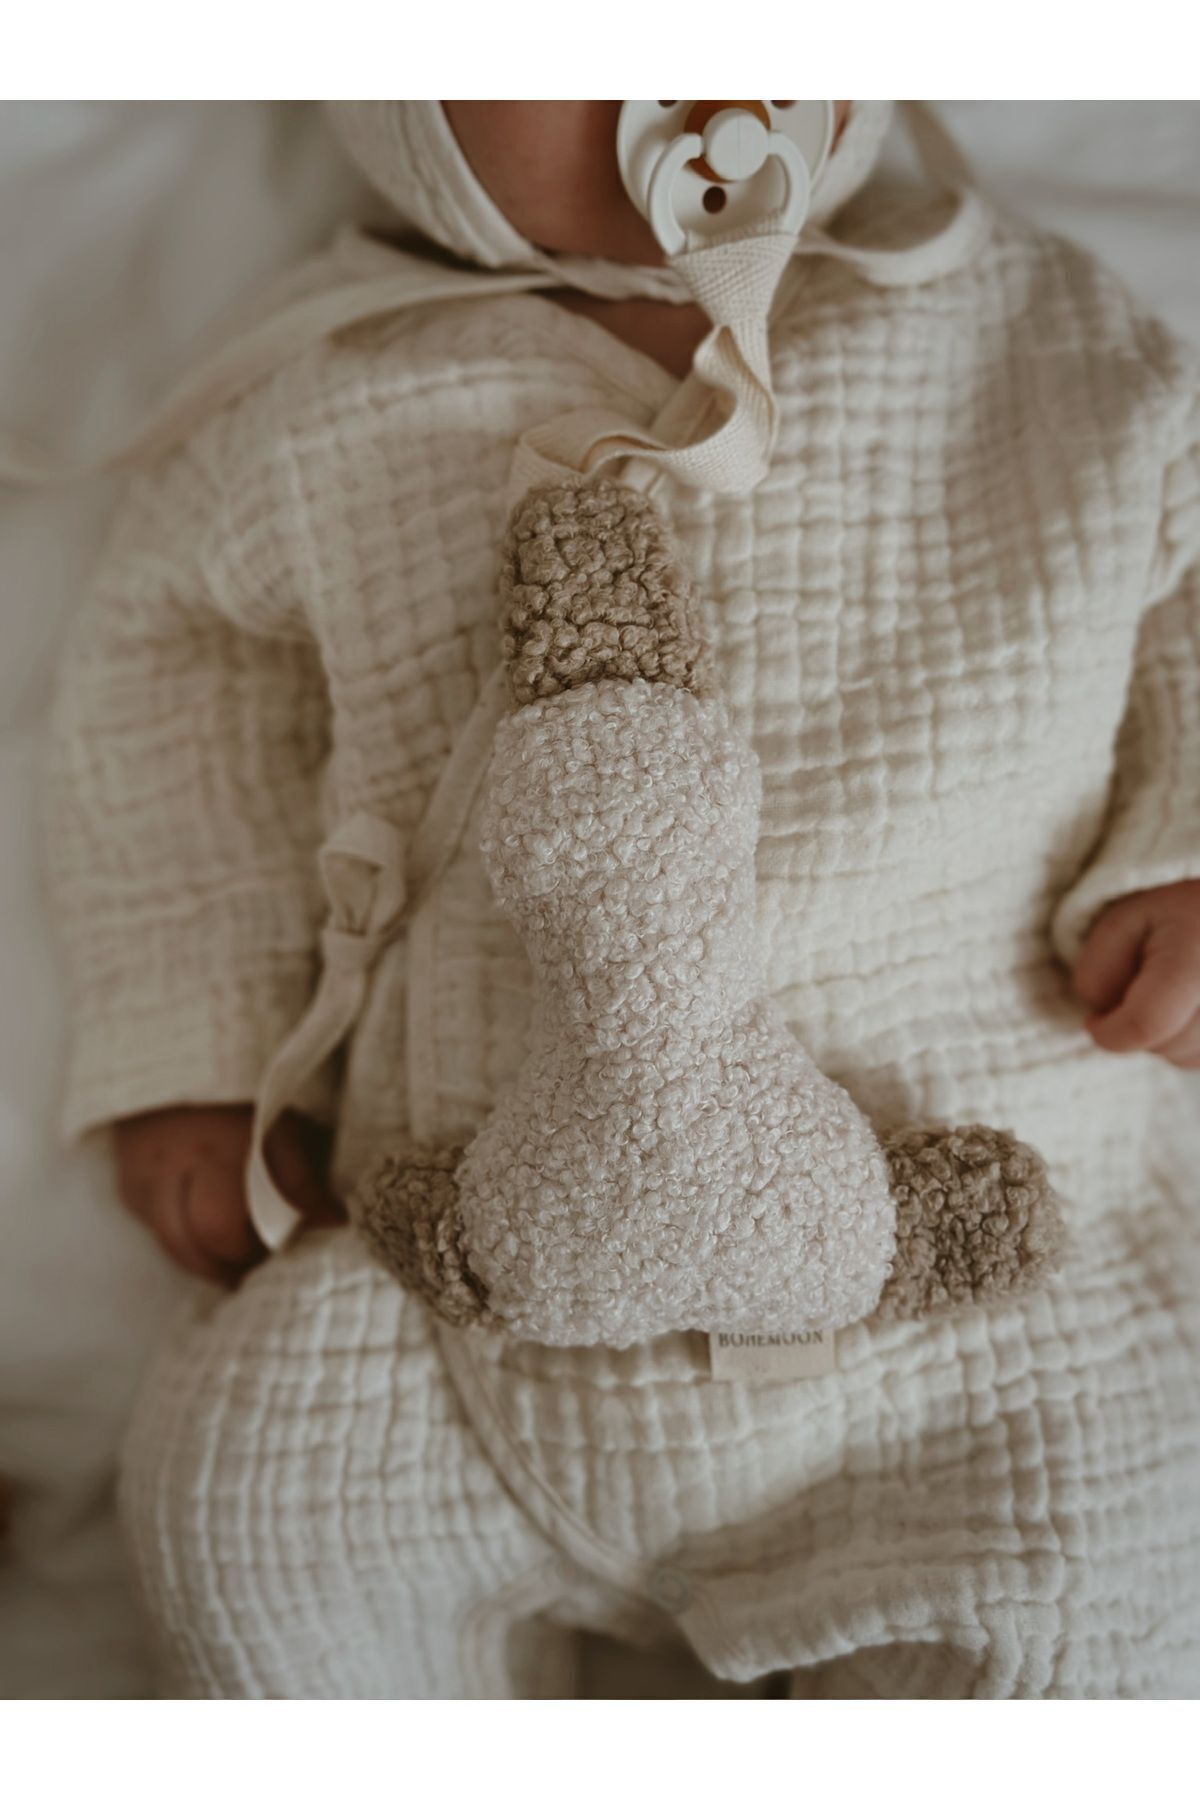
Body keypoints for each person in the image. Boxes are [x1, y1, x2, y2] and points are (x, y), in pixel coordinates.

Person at [46, 101, 1200, 1698]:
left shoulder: (1028, 324)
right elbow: (177, 714)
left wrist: (1178, 851)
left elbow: (1181, 581)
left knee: (1112, 1577)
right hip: (456, 1286)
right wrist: (194, 1047)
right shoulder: (320, 390)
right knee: (239, 1506)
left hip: (984, 1289)